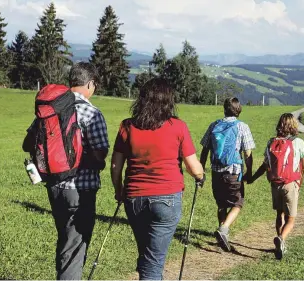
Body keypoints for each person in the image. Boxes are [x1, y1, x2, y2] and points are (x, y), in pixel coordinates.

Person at [110, 77, 205, 280]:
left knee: (147, 256)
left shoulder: (127, 126)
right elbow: (193, 167)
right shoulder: (178, 126)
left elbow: (116, 165)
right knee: (153, 262)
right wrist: (200, 175)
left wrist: (118, 190)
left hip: (134, 198)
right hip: (167, 199)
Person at [22, 62, 109, 280]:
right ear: (90, 84)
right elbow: (100, 154)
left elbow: (27, 143)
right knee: (75, 245)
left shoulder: (51, 107)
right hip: (80, 189)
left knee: (65, 239)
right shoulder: (91, 112)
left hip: (53, 184)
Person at [249, 113, 304, 259]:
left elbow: (265, 165)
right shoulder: (298, 142)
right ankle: (281, 239)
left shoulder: (272, 142)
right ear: (293, 125)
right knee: (291, 218)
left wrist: (253, 178)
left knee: (279, 214)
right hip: (290, 184)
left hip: (275, 185)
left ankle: (279, 242)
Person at [200, 97, 255, 252]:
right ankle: (223, 229)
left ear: (224, 109)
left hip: (216, 173)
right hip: (233, 172)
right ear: (239, 110)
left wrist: (202, 169)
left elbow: (205, 149)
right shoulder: (242, 127)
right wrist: (249, 172)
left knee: (221, 204)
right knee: (238, 203)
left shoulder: (214, 125)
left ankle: (222, 233)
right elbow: (248, 153)